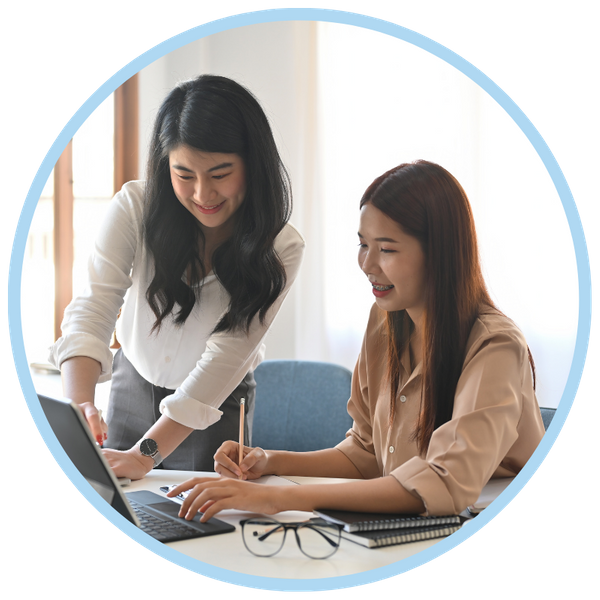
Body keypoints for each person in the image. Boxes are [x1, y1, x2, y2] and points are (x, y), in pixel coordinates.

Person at [167, 160, 546, 521]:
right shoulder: (386, 321)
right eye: (363, 244)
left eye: (388, 249)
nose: (367, 264)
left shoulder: (495, 347)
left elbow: (445, 485)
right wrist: (270, 460)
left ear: (440, 255)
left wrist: (280, 498)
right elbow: (367, 454)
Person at [49, 74, 305, 478]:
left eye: (220, 173)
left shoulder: (280, 247)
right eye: (184, 174)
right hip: (131, 382)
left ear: (253, 165)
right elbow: (94, 306)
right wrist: (79, 405)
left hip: (215, 400)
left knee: (204, 522)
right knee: (119, 504)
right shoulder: (135, 207)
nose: (203, 193)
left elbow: (227, 357)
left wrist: (145, 454)